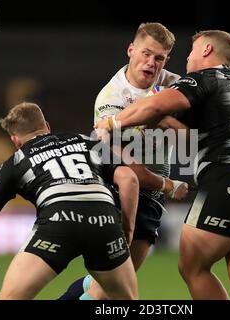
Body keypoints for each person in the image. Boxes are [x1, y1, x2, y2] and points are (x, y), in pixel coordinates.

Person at [95, 30, 230, 300]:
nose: (187, 59)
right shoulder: (227, 83)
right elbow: (181, 128)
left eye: (190, 52)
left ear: (205, 50)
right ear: (131, 50)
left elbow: (153, 107)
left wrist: (111, 123)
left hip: (225, 179)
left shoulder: (203, 78)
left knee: (193, 269)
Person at [0, 102, 140, 300]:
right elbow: (129, 179)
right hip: (104, 221)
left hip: (59, 221)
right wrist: (127, 229)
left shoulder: (17, 160)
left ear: (15, 140)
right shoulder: (85, 141)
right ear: (46, 126)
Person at [60, 22, 189, 300]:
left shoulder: (173, 84)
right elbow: (125, 167)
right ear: (131, 50)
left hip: (150, 199)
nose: (151, 63)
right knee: (115, 289)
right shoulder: (111, 99)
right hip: (117, 194)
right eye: (146, 53)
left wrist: (161, 116)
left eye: (159, 58)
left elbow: (193, 136)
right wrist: (168, 185)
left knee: (107, 284)